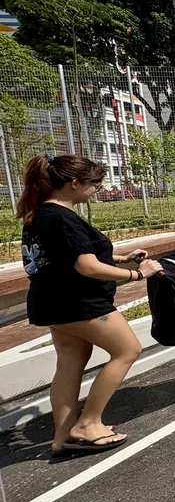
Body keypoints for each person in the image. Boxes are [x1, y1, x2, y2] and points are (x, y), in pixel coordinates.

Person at [18, 154, 164, 456]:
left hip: (50, 303)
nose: (96, 189)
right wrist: (137, 273)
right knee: (127, 350)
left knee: (70, 364)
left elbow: (67, 257)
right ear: (74, 183)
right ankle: (89, 424)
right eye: (94, 184)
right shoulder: (62, 217)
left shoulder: (39, 214)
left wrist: (121, 257)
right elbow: (87, 267)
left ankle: (63, 436)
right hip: (79, 303)